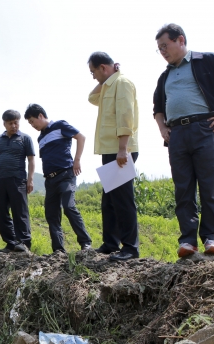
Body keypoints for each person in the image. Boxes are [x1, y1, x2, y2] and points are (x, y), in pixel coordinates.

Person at [153, 23, 214, 257]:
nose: (162, 51)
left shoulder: (207, 60)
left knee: (208, 185)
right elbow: (157, 108)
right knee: (183, 189)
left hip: (205, 129)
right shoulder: (165, 76)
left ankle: (212, 238)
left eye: (165, 45)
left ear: (180, 40)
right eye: (159, 48)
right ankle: (188, 241)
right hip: (177, 135)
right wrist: (162, 128)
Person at [88, 51, 140, 261]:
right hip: (111, 149)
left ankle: (130, 247)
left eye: (94, 71)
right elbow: (92, 98)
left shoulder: (123, 83)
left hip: (121, 149)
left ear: (103, 67)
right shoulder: (109, 85)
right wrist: (107, 78)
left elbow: (126, 115)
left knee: (123, 199)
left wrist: (122, 148)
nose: (93, 77)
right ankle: (110, 243)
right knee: (109, 199)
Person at [24, 104, 92, 253]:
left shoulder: (60, 125)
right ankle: (58, 250)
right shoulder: (40, 138)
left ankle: (86, 243)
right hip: (50, 180)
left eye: (32, 121)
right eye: (29, 123)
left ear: (40, 115)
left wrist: (77, 160)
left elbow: (80, 137)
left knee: (68, 206)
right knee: (51, 215)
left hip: (65, 175)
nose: (32, 125)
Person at [0, 110, 35, 253]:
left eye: (16, 123)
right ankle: (10, 243)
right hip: (0, 180)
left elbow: (31, 159)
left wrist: (30, 179)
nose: (14, 126)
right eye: (11, 123)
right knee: (2, 212)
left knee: (20, 211)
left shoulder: (25, 138)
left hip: (18, 179)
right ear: (4, 124)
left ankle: (24, 243)